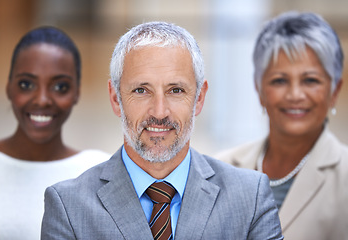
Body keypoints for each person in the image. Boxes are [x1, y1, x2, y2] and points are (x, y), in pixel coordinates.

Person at [41, 21, 283, 239]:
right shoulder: (68, 207)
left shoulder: (250, 198)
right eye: (141, 90)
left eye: (175, 90)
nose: (159, 111)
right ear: (116, 99)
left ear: (199, 98)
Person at [215, 11, 348, 239]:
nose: (295, 95)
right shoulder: (219, 169)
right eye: (279, 81)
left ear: (334, 91)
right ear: (259, 90)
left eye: (310, 80)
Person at [0, 27, 110, 239]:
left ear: (77, 93)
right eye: (26, 84)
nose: (42, 99)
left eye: (60, 87)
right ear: (8, 87)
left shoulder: (100, 171)